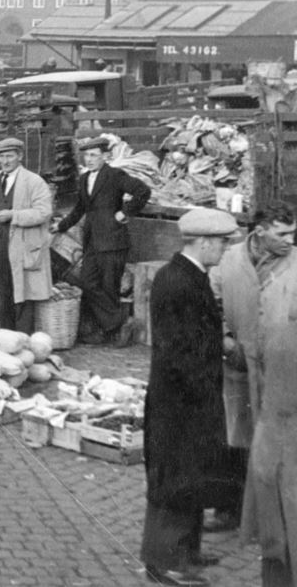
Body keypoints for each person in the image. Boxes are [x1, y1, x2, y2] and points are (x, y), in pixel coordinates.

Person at [140, 207, 240, 587]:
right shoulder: (180, 281)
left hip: (189, 396)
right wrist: (203, 392)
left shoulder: (187, 275)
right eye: (224, 243)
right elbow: (181, 350)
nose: (226, 250)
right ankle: (164, 561)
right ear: (206, 242)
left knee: (193, 473)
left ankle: (187, 551)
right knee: (175, 477)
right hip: (181, 400)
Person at [208, 200, 296, 539]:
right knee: (234, 437)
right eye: (283, 233)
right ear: (260, 231)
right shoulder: (229, 259)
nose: (290, 239)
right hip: (236, 365)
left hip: (281, 371)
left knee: (277, 443)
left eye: (293, 232)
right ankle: (229, 508)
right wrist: (225, 341)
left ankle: (276, 517)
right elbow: (210, 304)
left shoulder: (295, 262)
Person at [51, 136, 151, 346]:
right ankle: (121, 321)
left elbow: (142, 191)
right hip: (92, 243)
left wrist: (124, 213)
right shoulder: (84, 178)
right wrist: (61, 226)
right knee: (87, 283)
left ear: (105, 156)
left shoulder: (115, 175)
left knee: (110, 287)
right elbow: (80, 209)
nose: (89, 159)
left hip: (113, 241)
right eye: (86, 155)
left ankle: (110, 333)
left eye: (94, 155)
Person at [0, 137, 53, 334]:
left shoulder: (34, 181)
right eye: (2, 156)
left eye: (10, 156)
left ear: (20, 156)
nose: (5, 161)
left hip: (22, 245)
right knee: (1, 291)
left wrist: (14, 216)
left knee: (22, 294)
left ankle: (23, 340)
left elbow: (44, 211)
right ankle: (6, 337)